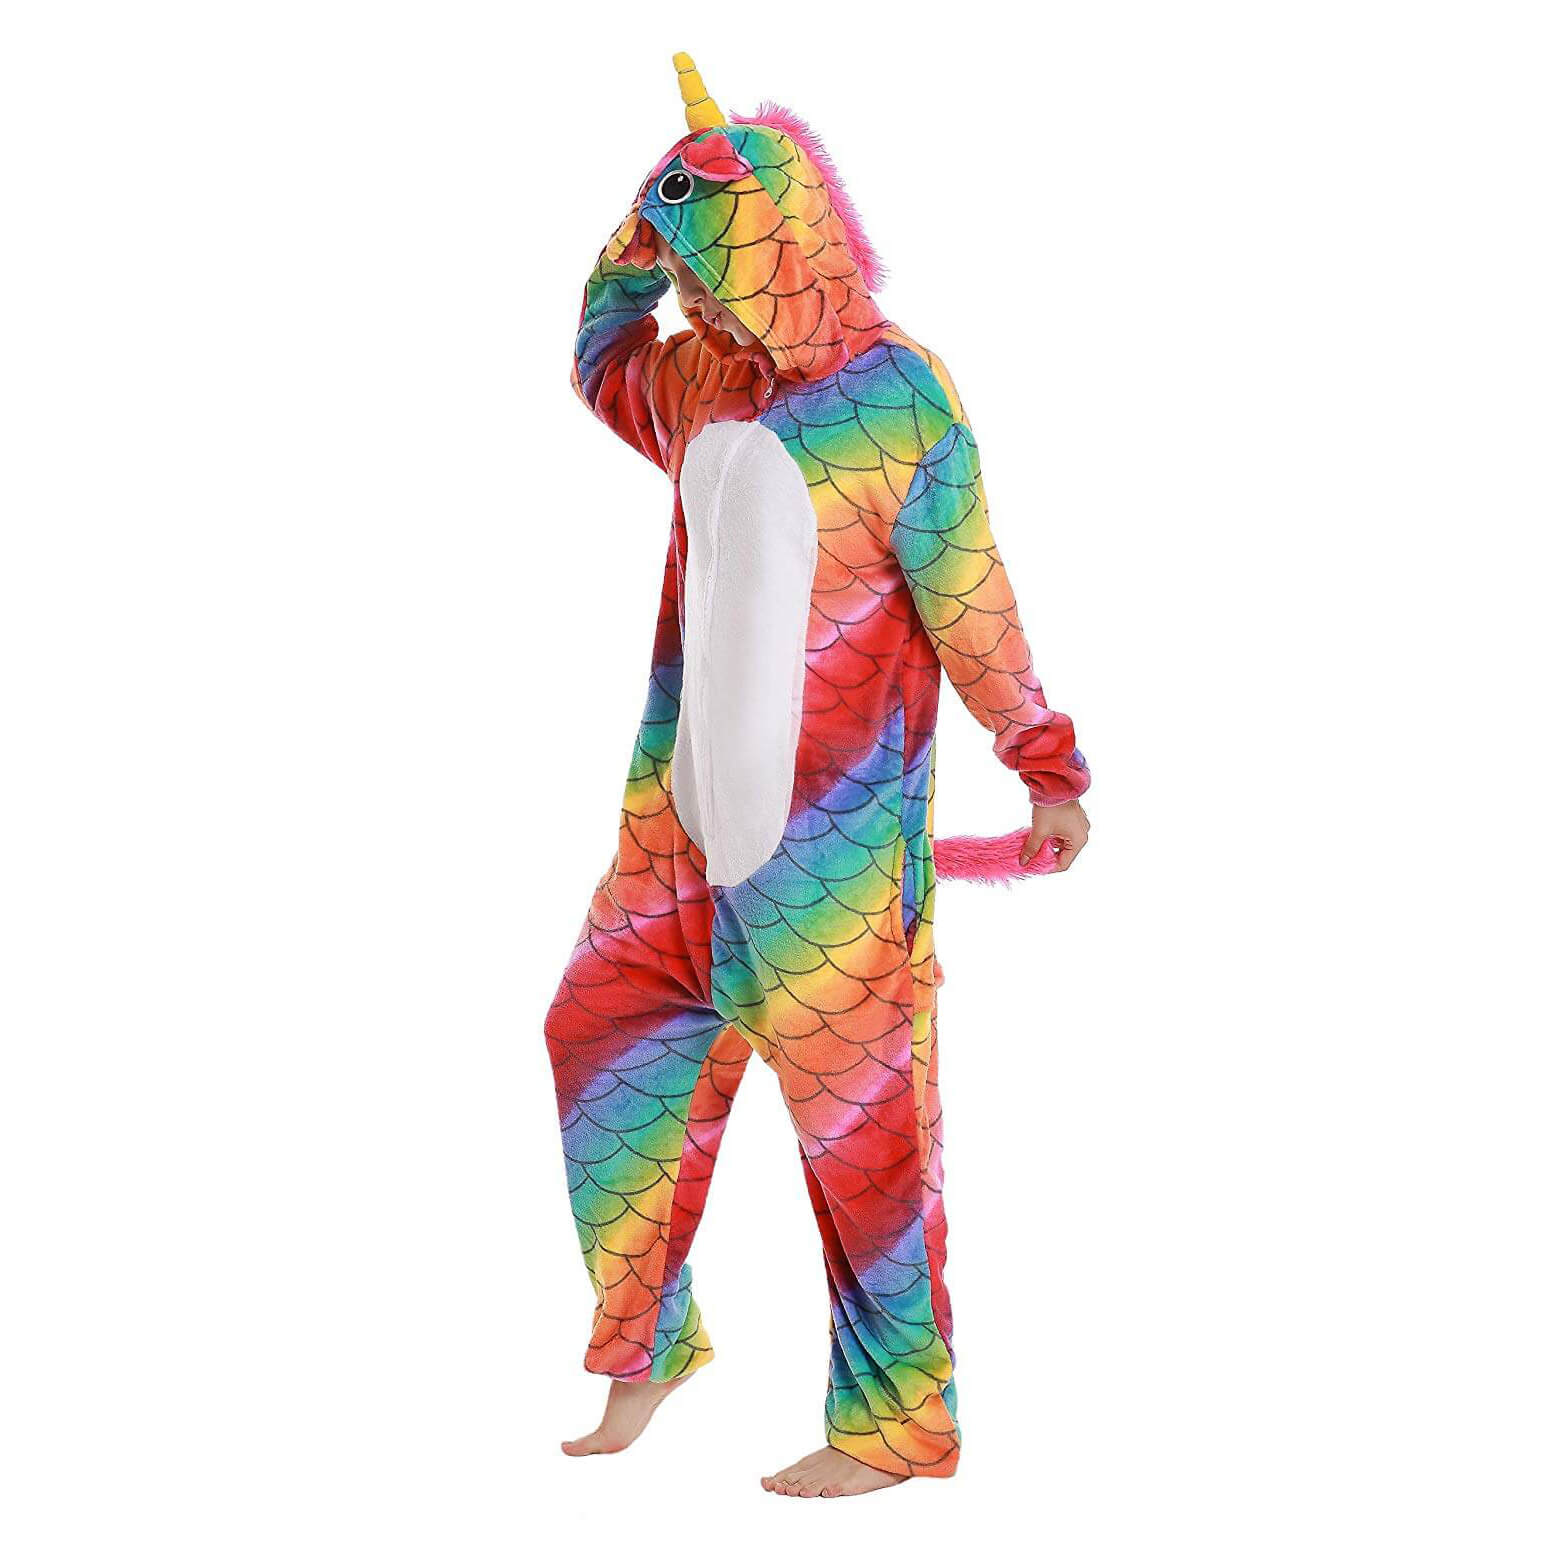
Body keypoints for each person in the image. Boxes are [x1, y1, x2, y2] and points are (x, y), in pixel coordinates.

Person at [547, 53, 1091, 1499]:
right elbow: (601, 360)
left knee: (866, 1152)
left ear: (789, 243)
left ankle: (896, 1427)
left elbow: (971, 597)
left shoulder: (899, 399)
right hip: (674, 843)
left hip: (832, 868)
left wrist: (1041, 761)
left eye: (711, 268)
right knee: (597, 1038)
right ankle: (647, 1344)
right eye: (687, 278)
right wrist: (637, 238)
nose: (698, 302)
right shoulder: (704, 381)